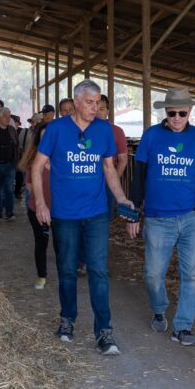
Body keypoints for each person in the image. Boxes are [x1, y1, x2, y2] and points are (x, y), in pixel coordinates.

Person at [31, 79, 133, 356]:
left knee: (98, 271)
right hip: (65, 214)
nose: (95, 107)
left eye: (98, 102)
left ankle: (104, 331)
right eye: (90, 102)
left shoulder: (104, 130)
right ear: (76, 102)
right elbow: (37, 166)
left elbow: (109, 168)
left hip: (96, 212)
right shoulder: (56, 129)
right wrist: (40, 203)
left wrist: (121, 198)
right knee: (66, 269)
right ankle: (67, 320)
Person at [127, 87, 195, 347]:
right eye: (172, 113)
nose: (177, 118)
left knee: (191, 275)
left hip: (191, 218)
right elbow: (139, 176)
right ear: (165, 112)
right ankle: (159, 308)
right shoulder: (151, 136)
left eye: (182, 113)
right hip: (158, 218)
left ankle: (183, 326)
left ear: (189, 111)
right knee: (153, 274)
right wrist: (133, 213)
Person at [18, 122, 50, 290]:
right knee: (41, 242)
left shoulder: (63, 157)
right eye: (43, 137)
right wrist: (41, 204)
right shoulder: (34, 159)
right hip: (37, 208)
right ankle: (41, 276)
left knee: (62, 244)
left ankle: (66, 274)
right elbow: (30, 186)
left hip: (61, 209)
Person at [98, 95, 128, 216]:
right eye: (95, 108)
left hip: (107, 180)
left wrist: (112, 180)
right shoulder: (83, 129)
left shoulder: (116, 131)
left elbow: (123, 159)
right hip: (85, 179)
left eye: (102, 109)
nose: (97, 112)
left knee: (105, 217)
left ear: (108, 111)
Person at [12, 115, 25, 199]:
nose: (16, 124)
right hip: (10, 157)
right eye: (14, 122)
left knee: (19, 176)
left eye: (16, 123)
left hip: (19, 156)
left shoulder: (22, 131)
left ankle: (17, 191)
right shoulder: (7, 130)